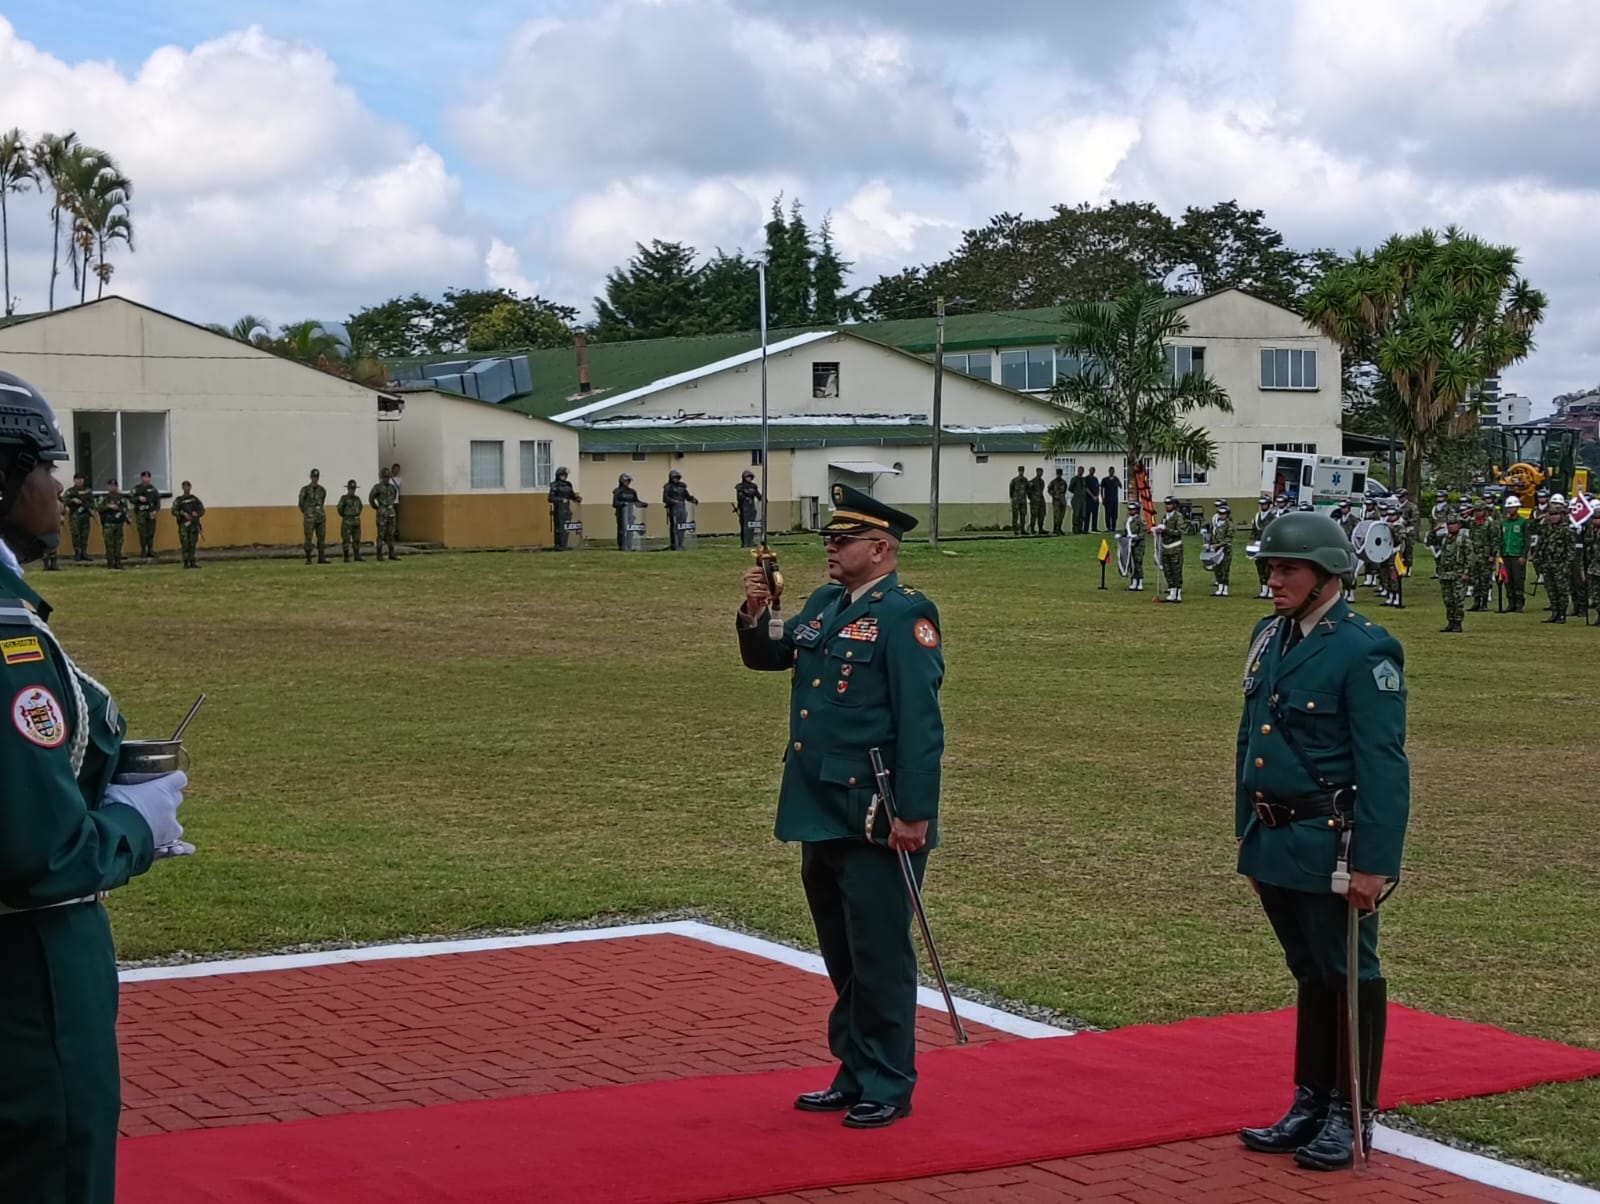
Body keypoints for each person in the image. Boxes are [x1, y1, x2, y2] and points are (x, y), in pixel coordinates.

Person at [0, 370, 192, 1204]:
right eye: (47, 460)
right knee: (57, 1165)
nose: (59, 483)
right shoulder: (10, 642)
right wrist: (133, 825)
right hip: (25, 976)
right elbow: (36, 857)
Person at [735, 483, 944, 1131]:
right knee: (841, 949)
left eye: (842, 539)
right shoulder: (828, 603)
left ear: (879, 548)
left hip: (874, 809)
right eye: (830, 537)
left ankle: (888, 1079)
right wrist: (756, 607)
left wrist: (914, 811)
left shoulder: (905, 615)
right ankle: (854, 1068)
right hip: (817, 803)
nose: (830, 546)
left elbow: (920, 721)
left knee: (879, 950)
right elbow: (772, 655)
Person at [1236, 511, 1409, 1172]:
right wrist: (1246, 833)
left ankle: (1350, 1110)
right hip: (1275, 835)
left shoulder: (1364, 649)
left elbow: (1384, 764)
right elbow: (1250, 740)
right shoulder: (1268, 636)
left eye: (1287, 569)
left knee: (1348, 972)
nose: (1274, 579)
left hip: (1332, 839)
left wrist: (1374, 864)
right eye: (1270, 567)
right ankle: (1311, 1098)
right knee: (1309, 971)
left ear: (1327, 576)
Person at [1540, 495, 1575, 624]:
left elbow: (1571, 550)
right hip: (1548, 563)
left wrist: (1567, 565)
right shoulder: (1547, 529)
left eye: (1556, 514)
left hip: (1560, 564)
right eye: (1551, 514)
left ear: (1562, 515)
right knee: (1551, 589)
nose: (1553, 516)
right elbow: (1542, 544)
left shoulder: (1566, 530)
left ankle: (1562, 614)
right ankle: (1554, 612)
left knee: (1561, 590)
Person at [1435, 510, 1469, 632]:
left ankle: (1458, 623)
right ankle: (1450, 622)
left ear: (1459, 525)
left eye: (1454, 523)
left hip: (1458, 574)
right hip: (1446, 574)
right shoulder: (1445, 539)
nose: (1451, 526)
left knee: (1458, 600)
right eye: (1449, 524)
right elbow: (1431, 542)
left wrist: (1466, 573)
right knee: (1448, 600)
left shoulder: (1463, 539)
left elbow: (1470, 557)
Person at [1154, 495, 1186, 603]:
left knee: (1176, 571)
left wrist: (1166, 530)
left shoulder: (1178, 517)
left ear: (1175, 505)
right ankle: (1172, 591)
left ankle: (1178, 593)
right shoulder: (1165, 517)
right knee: (1167, 571)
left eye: (1170, 504)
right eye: (1166, 504)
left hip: (1175, 547)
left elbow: (1180, 532)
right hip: (1165, 547)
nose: (1167, 506)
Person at [1499, 494, 1527, 613]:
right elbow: (1500, 539)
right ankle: (1511, 603)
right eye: (1509, 507)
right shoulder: (1503, 523)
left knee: (1518, 580)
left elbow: (1527, 540)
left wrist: (1523, 555)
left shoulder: (1523, 522)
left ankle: (1519, 603)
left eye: (1513, 507)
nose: (1511, 509)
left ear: (1517, 508)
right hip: (1505, 554)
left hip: (1517, 555)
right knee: (1507, 580)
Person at [171, 481, 206, 569]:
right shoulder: (179, 500)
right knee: (185, 543)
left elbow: (202, 510)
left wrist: (197, 513)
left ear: (190, 487)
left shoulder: (194, 499)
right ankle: (186, 562)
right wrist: (183, 514)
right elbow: (173, 511)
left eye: (188, 486)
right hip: (184, 525)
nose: (186, 488)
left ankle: (192, 561)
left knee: (193, 543)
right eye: (184, 487)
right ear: (182, 488)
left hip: (194, 524)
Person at [95, 481, 129, 570]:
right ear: (108, 487)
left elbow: (125, 509)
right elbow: (98, 508)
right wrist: (108, 506)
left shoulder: (121, 497)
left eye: (114, 486)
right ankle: (110, 563)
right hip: (108, 524)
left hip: (119, 523)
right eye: (111, 486)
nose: (113, 488)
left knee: (119, 544)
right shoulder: (104, 498)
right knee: (109, 544)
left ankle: (118, 562)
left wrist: (127, 517)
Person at [368, 468, 400, 562]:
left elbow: (394, 497)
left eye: (388, 477)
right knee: (381, 534)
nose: (387, 479)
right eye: (385, 477)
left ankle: (392, 553)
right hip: (382, 513)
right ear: (381, 477)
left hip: (391, 513)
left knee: (391, 533)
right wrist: (378, 508)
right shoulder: (377, 487)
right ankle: (379, 554)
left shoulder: (392, 488)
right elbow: (371, 499)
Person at [662, 470, 698, 552]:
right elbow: (665, 498)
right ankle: (675, 544)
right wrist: (674, 501)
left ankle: (681, 544)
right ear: (671, 478)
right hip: (674, 510)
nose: (676, 479)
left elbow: (687, 496)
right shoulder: (667, 487)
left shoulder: (682, 487)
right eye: (674, 477)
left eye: (678, 477)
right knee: (675, 528)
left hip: (682, 509)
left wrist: (692, 499)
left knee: (682, 528)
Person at [297, 469, 328, 565]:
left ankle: (321, 557)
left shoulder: (322, 490)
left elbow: (322, 502)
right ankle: (308, 558)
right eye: (314, 477)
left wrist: (318, 511)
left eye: (317, 477)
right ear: (311, 477)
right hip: (309, 518)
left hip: (320, 517)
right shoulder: (305, 490)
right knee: (308, 538)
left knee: (321, 538)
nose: (315, 479)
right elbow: (301, 503)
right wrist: (307, 512)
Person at [62, 473, 93, 563]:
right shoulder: (70, 491)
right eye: (77, 479)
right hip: (75, 516)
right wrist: (72, 500)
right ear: (74, 480)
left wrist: (89, 508)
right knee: (76, 535)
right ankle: (77, 553)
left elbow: (92, 502)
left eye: (81, 479)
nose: (79, 481)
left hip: (85, 516)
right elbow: (64, 500)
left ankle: (84, 552)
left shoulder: (88, 490)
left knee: (85, 535)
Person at [130, 470, 161, 561]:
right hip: (141, 514)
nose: (146, 479)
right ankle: (143, 550)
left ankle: (150, 550)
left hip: (150, 513)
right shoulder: (137, 488)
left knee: (151, 533)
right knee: (143, 533)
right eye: (144, 477)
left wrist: (155, 511)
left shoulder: (153, 489)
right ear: (142, 478)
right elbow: (131, 498)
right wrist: (138, 498)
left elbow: (157, 502)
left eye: (148, 477)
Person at [611, 473, 647, 550]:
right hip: (621, 515)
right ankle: (622, 546)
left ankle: (630, 545)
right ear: (621, 481)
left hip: (630, 514)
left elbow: (636, 502)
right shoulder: (617, 491)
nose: (627, 482)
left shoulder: (632, 491)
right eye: (626, 481)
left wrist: (642, 504)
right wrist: (623, 504)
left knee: (630, 531)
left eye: (629, 481)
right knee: (622, 531)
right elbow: (615, 503)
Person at [551, 467, 582, 552]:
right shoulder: (554, 485)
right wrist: (561, 500)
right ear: (558, 475)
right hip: (559, 510)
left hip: (567, 509)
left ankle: (565, 544)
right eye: (562, 475)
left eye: (565, 475)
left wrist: (577, 498)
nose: (564, 477)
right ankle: (559, 545)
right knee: (559, 529)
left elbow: (572, 495)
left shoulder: (568, 484)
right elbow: (551, 498)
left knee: (566, 528)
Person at [1251, 495, 1276, 599]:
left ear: (1269, 505)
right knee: (1260, 567)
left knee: (1269, 568)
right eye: (1261, 504)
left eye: (1264, 504)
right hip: (1258, 545)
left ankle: (1271, 590)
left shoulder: (1273, 517)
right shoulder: (1257, 516)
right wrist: (1251, 542)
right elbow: (1254, 531)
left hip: (1268, 545)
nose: (1262, 506)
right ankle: (1263, 589)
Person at [1208, 500, 1233, 596]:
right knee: (1217, 569)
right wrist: (1210, 544)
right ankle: (1219, 588)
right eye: (1220, 514)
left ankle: (1225, 588)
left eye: (1224, 514)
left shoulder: (1229, 524)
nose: (1222, 515)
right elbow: (1212, 535)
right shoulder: (1216, 524)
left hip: (1225, 550)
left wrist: (1219, 545)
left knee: (1224, 569)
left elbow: (1229, 538)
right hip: (1215, 550)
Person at [337, 480, 365, 562]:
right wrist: (346, 516)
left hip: (356, 520)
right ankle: (346, 557)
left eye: (354, 489)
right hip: (347, 521)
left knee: (357, 539)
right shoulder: (344, 498)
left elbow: (360, 507)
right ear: (348, 488)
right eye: (351, 488)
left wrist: (356, 515)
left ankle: (357, 555)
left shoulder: (357, 499)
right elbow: (340, 509)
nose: (352, 490)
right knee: (346, 539)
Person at [1122, 499, 1146, 591]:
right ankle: (1133, 581)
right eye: (1130, 509)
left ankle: (1140, 581)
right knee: (1131, 563)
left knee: (1138, 563)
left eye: (1133, 510)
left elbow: (1142, 533)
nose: (1131, 511)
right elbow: (1126, 532)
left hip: (1138, 545)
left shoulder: (1140, 520)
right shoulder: (1127, 521)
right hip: (1129, 545)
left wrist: (1134, 537)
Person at [735, 469, 761, 548]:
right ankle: (745, 542)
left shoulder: (753, 486)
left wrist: (763, 499)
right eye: (747, 477)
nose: (749, 478)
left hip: (751, 509)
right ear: (744, 477)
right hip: (743, 509)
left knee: (751, 526)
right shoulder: (740, 487)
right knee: (744, 527)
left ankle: (751, 541)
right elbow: (739, 497)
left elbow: (758, 495)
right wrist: (745, 499)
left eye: (750, 477)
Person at [1026, 467, 1046, 536]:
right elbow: (1028, 491)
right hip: (1034, 501)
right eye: (1039, 472)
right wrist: (1032, 498)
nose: (1040, 473)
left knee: (1042, 515)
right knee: (1034, 515)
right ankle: (1032, 529)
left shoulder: (1042, 481)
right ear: (1036, 472)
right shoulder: (1032, 481)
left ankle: (1040, 529)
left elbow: (1042, 490)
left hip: (1041, 500)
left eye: (1041, 472)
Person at [1047, 468, 1068, 535]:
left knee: (1062, 516)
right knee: (1056, 516)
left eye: (1060, 474)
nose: (1059, 475)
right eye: (1058, 474)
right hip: (1056, 501)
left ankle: (1059, 528)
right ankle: (1055, 529)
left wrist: (1061, 497)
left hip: (1062, 501)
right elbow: (1049, 490)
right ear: (1056, 474)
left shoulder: (1064, 482)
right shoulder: (1053, 482)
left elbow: (1065, 491)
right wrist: (1054, 495)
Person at [1008, 467, 1028, 537]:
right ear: (1018, 471)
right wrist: (1013, 498)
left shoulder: (1025, 480)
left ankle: (1022, 530)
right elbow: (1011, 490)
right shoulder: (1014, 480)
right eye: (1020, 471)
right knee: (1015, 516)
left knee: (1023, 516)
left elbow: (1027, 490)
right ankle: (1015, 530)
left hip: (1023, 501)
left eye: (1022, 471)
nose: (1021, 472)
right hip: (1016, 501)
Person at [1069, 466, 1088, 534]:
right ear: (1077, 471)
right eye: (1079, 470)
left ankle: (1080, 528)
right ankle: (1075, 529)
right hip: (1076, 498)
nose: (1081, 471)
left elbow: (1085, 488)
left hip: (1083, 499)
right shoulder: (1074, 479)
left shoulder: (1083, 479)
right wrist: (1076, 492)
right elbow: (1070, 488)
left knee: (1082, 514)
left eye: (1082, 470)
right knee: (1076, 514)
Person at [1083, 467, 1101, 534]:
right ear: (1089, 471)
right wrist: (1092, 496)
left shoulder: (1095, 479)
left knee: (1095, 514)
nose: (1092, 471)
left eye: (1093, 470)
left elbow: (1098, 488)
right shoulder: (1086, 478)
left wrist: (1097, 496)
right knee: (1087, 515)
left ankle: (1094, 528)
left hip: (1095, 500)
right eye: (1091, 470)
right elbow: (1086, 488)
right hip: (1088, 500)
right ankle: (1086, 529)